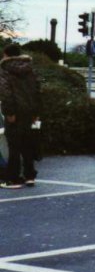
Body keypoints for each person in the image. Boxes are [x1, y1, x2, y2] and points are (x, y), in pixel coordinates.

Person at [0, 44, 42, 188]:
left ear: (6, 54)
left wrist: (9, 112)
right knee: (28, 144)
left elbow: (6, 94)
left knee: (14, 146)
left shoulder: (4, 70)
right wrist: (36, 113)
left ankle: (13, 178)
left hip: (15, 113)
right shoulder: (30, 69)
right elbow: (38, 91)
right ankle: (29, 176)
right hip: (30, 112)